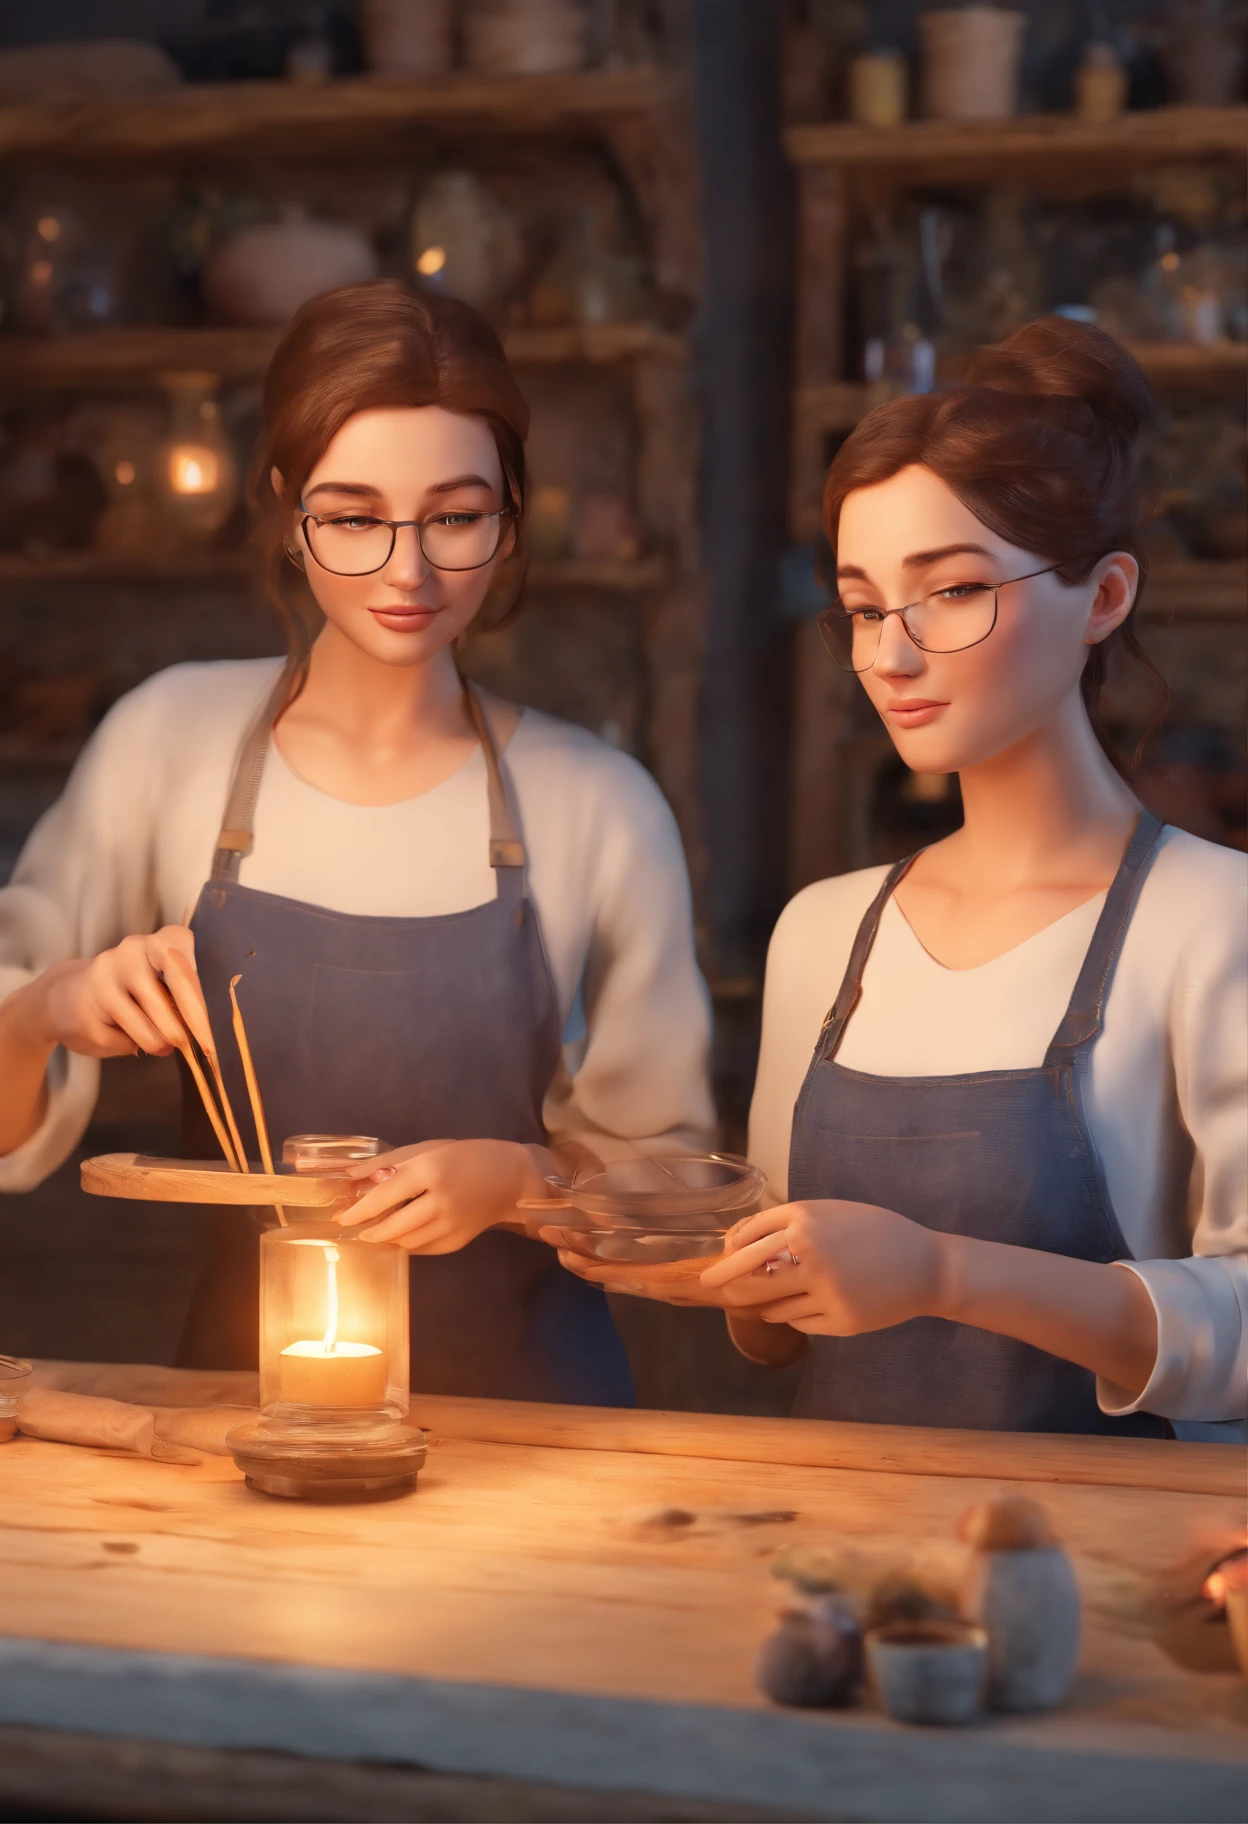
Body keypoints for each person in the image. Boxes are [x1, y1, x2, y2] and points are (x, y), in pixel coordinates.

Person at [0, 280, 713, 1405]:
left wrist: (523, 1181)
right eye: (353, 515)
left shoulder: (600, 804)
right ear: (288, 510)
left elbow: (676, 1200)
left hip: (541, 1432)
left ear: (511, 516)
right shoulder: (165, 742)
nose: (408, 571)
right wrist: (47, 1009)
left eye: (455, 516)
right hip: (240, 1415)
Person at [561, 318, 1247, 1440]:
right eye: (867, 604)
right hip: (845, 1557)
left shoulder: (1215, 920)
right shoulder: (826, 934)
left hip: (1112, 1577)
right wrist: (694, 1265)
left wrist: (940, 1272)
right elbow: (781, 1312)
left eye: (953, 591)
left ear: (1106, 597)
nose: (889, 654)